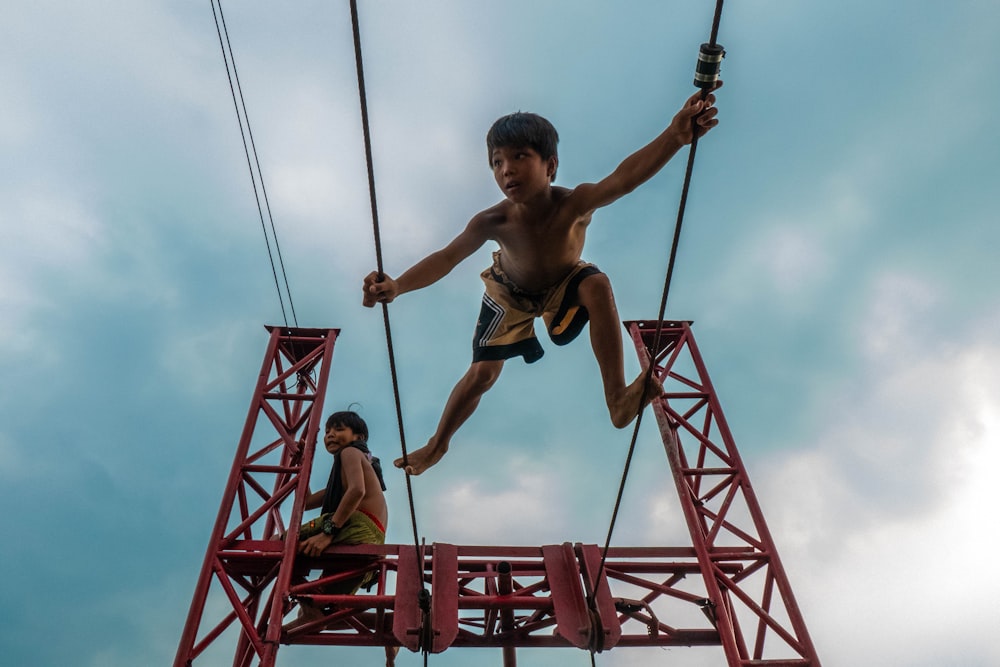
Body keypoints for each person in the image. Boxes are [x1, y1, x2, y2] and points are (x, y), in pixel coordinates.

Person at [363, 85, 721, 476]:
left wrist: (674, 136)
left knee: (596, 284)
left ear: (550, 166)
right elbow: (447, 257)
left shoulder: (574, 203)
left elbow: (623, 180)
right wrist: (397, 285)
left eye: (520, 157)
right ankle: (437, 445)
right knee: (483, 374)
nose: (507, 170)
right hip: (509, 293)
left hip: (562, 287)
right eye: (497, 162)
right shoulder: (492, 221)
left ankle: (618, 399)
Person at [283, 410, 396, 664]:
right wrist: (301, 463)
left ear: (359, 437)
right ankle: (390, 625)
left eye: (339, 429)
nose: (330, 434)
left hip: (357, 527)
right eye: (327, 431)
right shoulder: (353, 466)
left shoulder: (350, 453)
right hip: (374, 542)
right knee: (330, 609)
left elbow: (357, 491)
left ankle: (306, 607)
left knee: (282, 543)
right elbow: (308, 500)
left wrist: (327, 534)